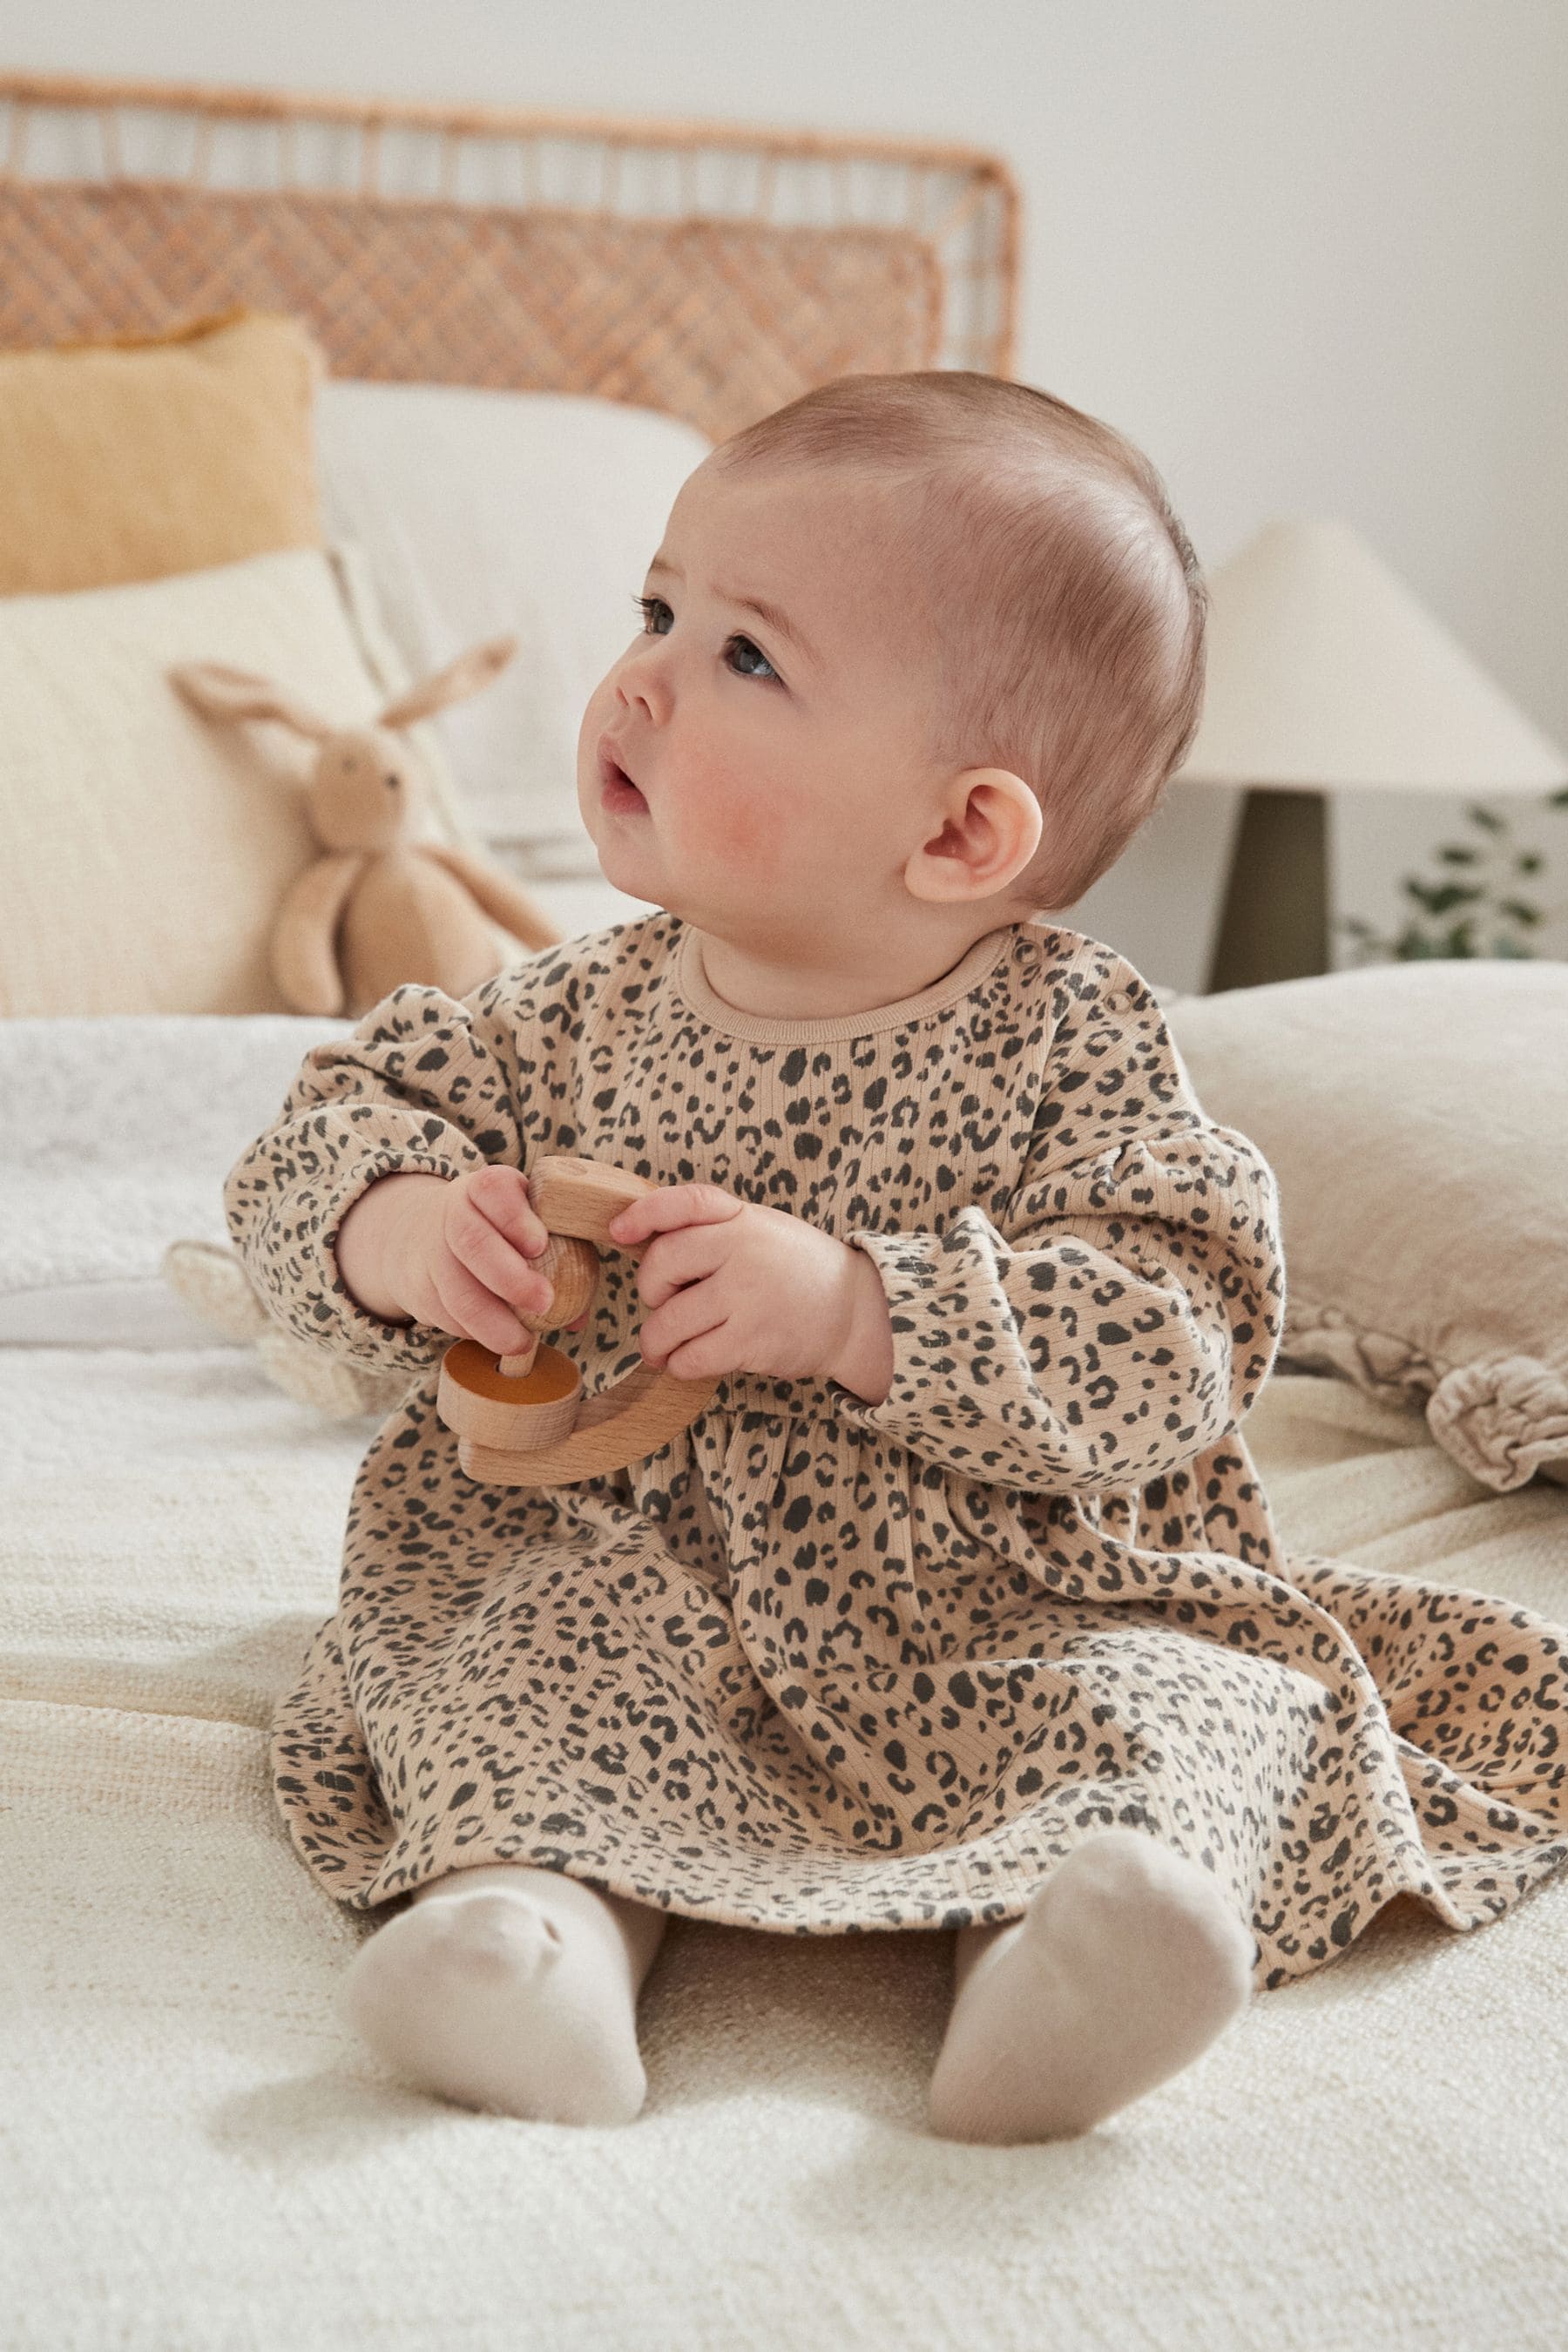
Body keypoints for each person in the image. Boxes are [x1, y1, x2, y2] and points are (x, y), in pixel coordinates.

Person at [226, 372, 1568, 2143]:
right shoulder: (568, 1012)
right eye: (658, 610)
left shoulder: (1074, 1045)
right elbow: (326, 1131)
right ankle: (534, 1933)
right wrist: (401, 1230)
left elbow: (1182, 1316)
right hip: (628, 1555)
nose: (639, 676)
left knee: (1181, 1700)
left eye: (746, 656)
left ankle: (1069, 1955)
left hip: (1001, 1586)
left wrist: (870, 1307)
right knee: (523, 1664)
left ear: (959, 833)